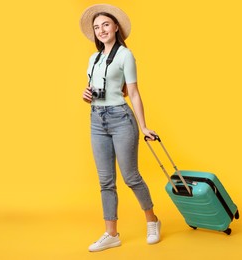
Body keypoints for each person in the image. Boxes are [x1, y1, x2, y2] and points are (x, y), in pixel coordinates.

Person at [79, 4, 161, 252]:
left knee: (131, 177)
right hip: (97, 119)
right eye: (96, 27)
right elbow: (94, 89)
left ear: (116, 27)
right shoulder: (93, 59)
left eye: (105, 24)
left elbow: (133, 93)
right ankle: (111, 234)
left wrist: (143, 126)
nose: (101, 30)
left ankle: (152, 220)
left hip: (120, 118)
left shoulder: (126, 55)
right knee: (105, 181)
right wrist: (86, 95)